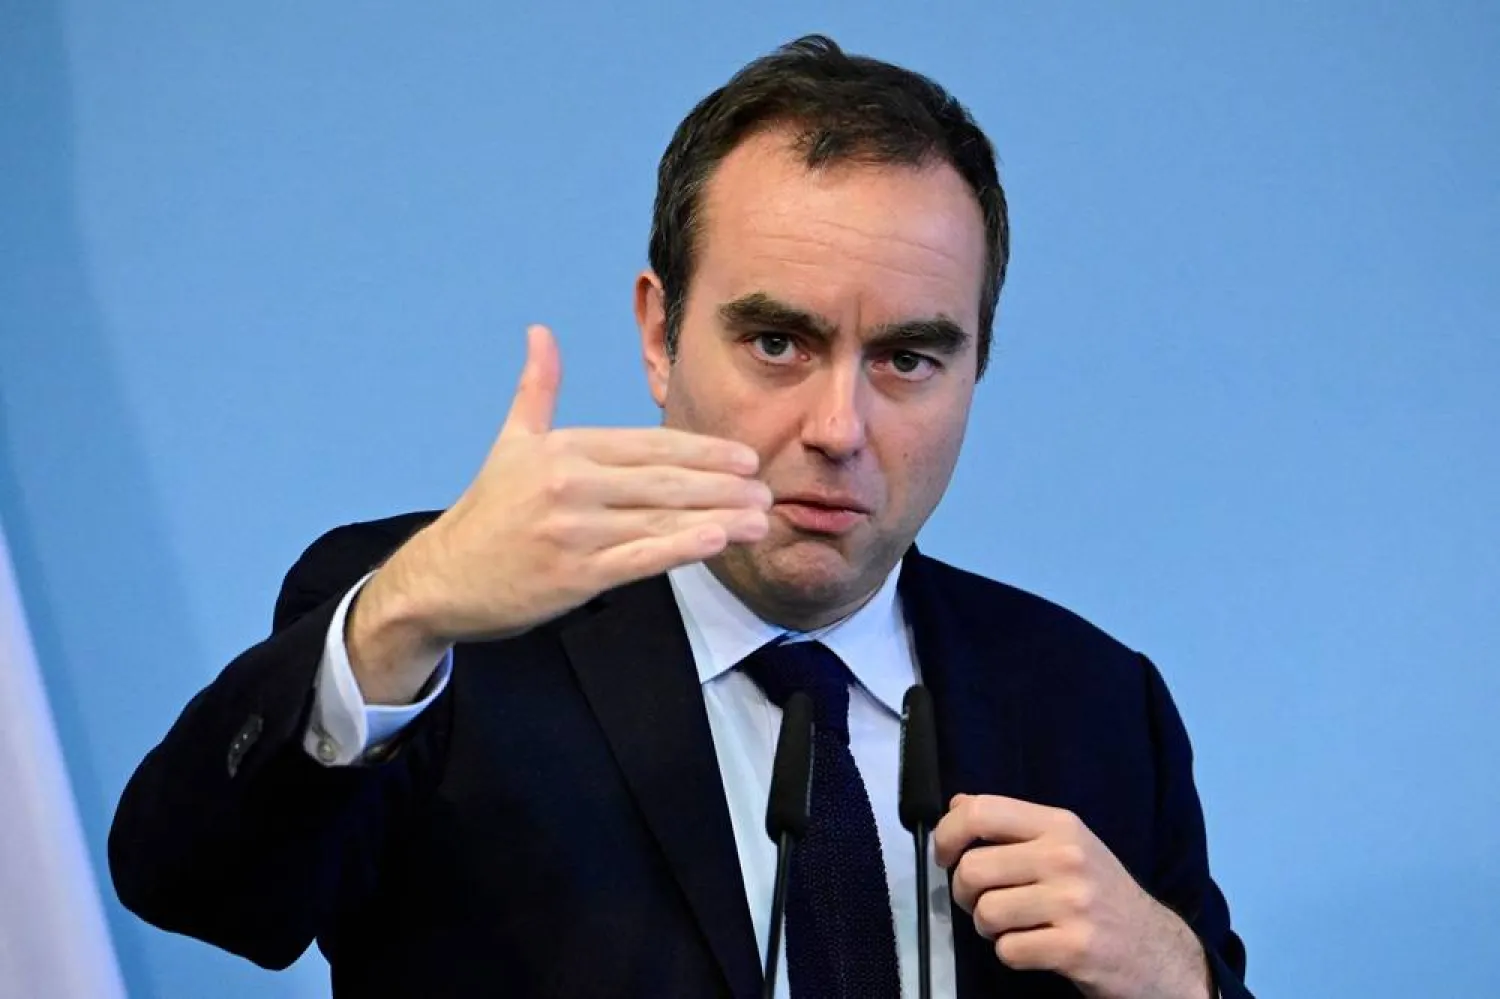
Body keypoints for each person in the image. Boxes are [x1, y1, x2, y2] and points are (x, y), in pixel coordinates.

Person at [109, 34, 1250, 999]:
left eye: (908, 358)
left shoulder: (1096, 705)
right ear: (660, 335)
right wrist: (401, 615)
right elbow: (196, 889)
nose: (839, 427)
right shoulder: (438, 637)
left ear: (977, 368)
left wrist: (1176, 975)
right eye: (778, 342)